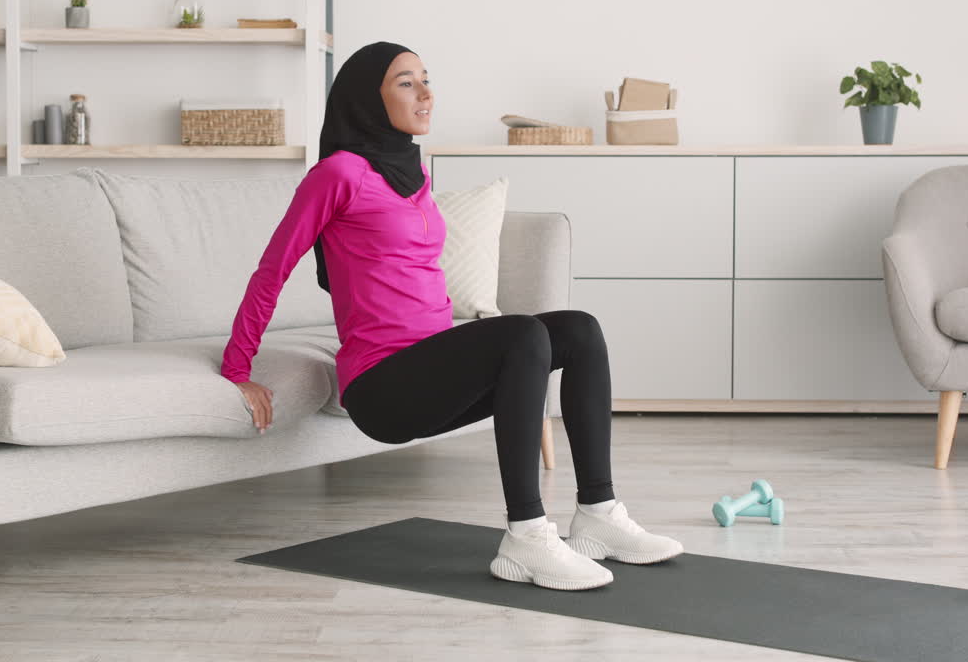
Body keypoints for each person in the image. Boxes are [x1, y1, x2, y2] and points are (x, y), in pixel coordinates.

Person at [220, 41, 682, 591]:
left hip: (433, 370)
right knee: (523, 334)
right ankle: (527, 537)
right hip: (382, 387)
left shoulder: (413, 171)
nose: (426, 93)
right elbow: (272, 269)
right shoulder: (338, 174)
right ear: (370, 98)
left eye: (426, 79)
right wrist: (237, 370)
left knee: (579, 329)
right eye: (406, 82)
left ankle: (599, 517)